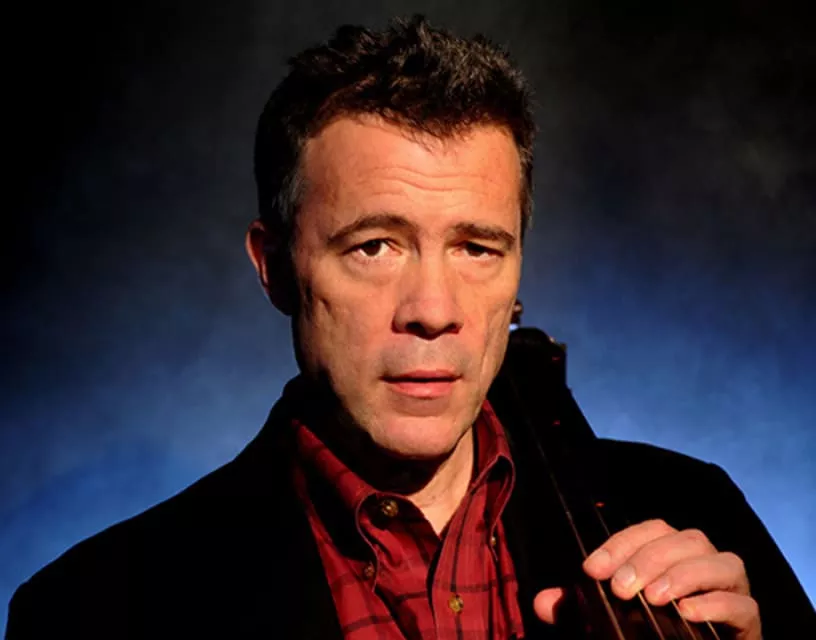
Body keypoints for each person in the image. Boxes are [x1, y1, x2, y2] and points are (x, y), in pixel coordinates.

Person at [6, 15, 814, 640]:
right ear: (276, 268)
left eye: (476, 248)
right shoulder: (91, 611)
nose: (434, 309)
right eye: (374, 246)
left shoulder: (696, 515)